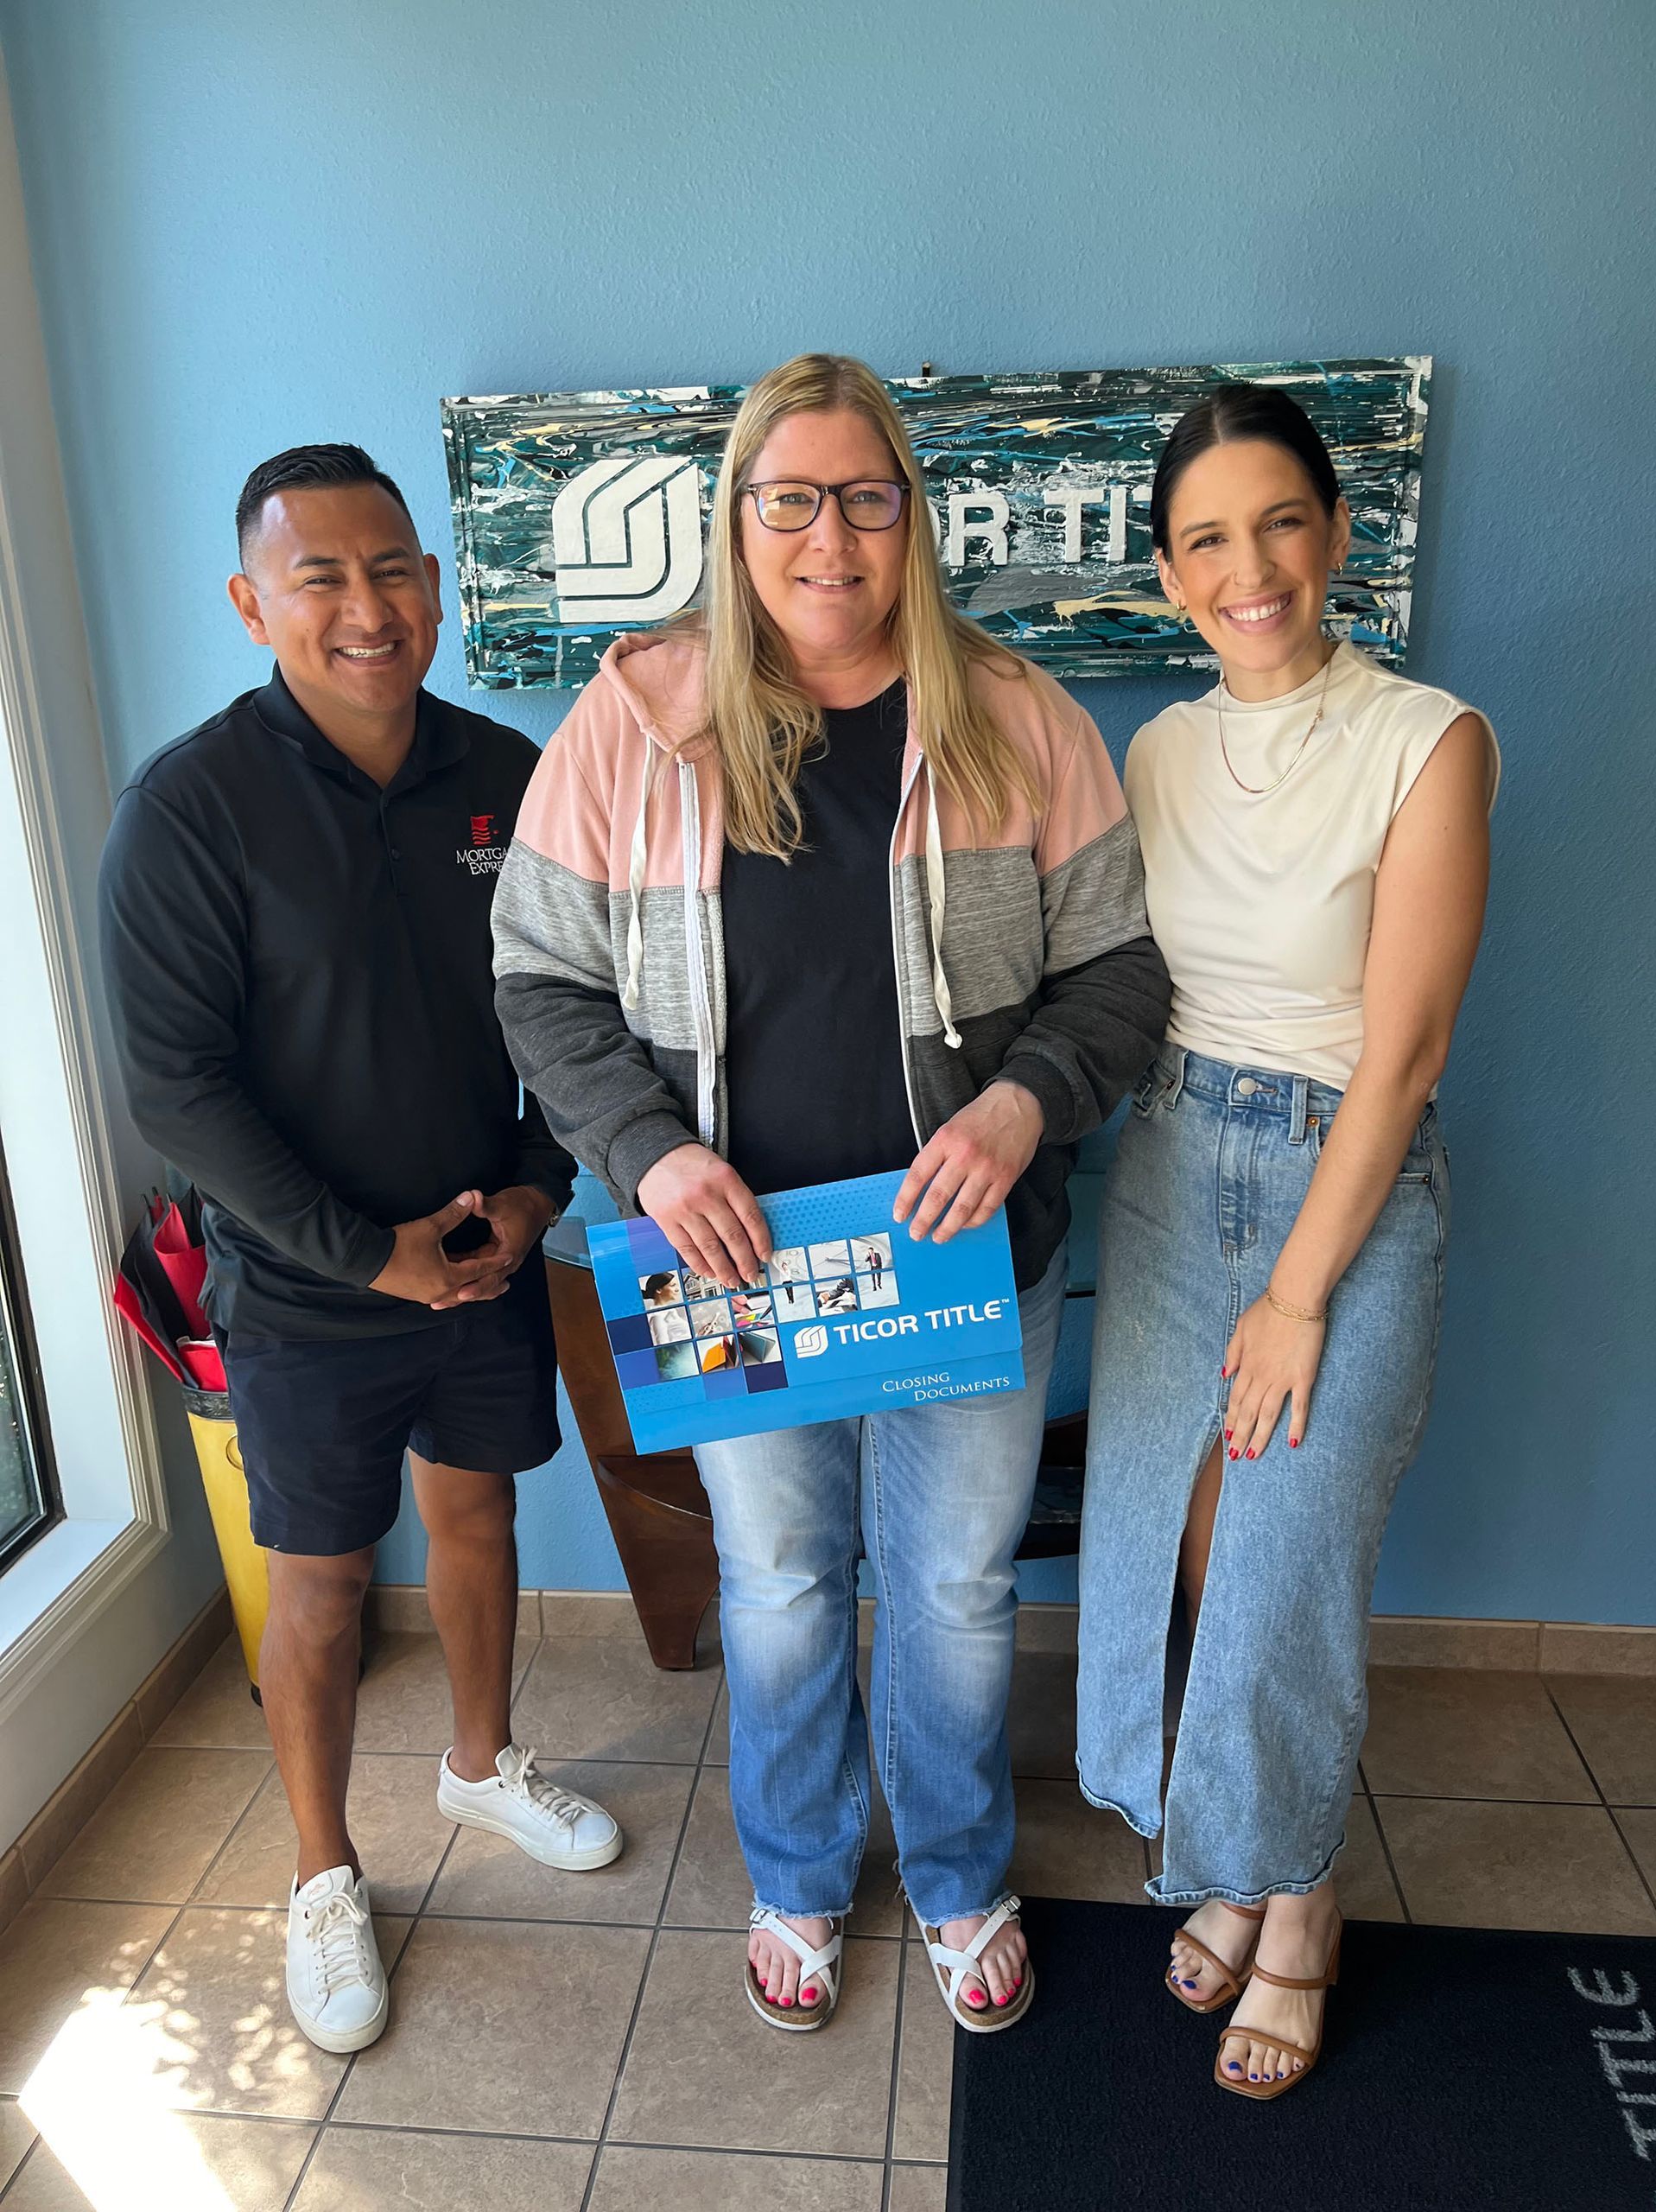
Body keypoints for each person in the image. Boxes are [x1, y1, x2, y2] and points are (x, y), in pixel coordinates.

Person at [494, 353, 1171, 2033]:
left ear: (910, 515)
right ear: (735, 522)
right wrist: (652, 1150)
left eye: (864, 496)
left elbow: (1120, 970)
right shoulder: (632, 721)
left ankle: (955, 1870)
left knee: (949, 1581)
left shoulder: (1018, 713)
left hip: (958, 1256)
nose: (828, 535)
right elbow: (539, 979)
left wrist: (1023, 1105)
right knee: (784, 1577)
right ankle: (799, 1871)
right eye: (787, 498)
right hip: (733, 1268)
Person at [98, 444, 624, 2056]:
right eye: (318, 577)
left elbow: (583, 1009)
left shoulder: (511, 774)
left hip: (481, 1250)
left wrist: (534, 1193)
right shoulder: (191, 807)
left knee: (477, 1515)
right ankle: (325, 1873)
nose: (365, 606)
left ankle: (481, 1764)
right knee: (320, 1585)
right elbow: (176, 1084)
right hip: (308, 1288)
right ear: (255, 604)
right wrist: (359, 1252)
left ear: (438, 586)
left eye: (391, 569)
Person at [1075, 385, 1498, 2098]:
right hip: (1176, 1159)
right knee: (1191, 1546)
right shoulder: (1157, 749)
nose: (1246, 568)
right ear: (1171, 575)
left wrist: (1302, 1291)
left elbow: (1402, 1047)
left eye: (1277, 525)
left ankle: (1300, 1898)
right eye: (1205, 541)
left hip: (1351, 1179)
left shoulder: (1431, 736)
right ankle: (1245, 1850)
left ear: (1331, 532)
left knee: (1285, 1554)